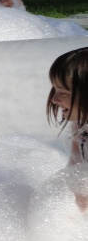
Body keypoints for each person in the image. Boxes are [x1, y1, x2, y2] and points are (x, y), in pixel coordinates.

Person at [46, 47, 88, 209]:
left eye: (62, 92)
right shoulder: (80, 125)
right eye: (54, 89)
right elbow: (75, 166)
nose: (54, 99)